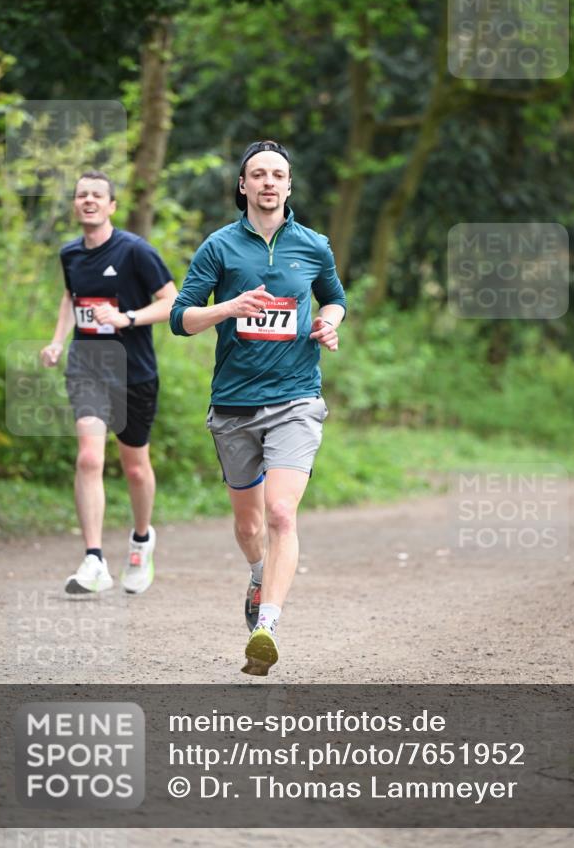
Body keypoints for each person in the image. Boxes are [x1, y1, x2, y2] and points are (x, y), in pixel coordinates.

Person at [170, 140, 346, 675]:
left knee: (280, 513)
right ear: (243, 186)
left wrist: (330, 322)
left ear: (289, 186)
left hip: (296, 399)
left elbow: (334, 296)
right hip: (234, 405)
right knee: (249, 527)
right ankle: (256, 573)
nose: (268, 182)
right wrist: (229, 306)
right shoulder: (220, 248)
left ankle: (267, 626)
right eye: (258, 174)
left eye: (278, 175)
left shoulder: (313, 245)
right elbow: (181, 318)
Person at [40, 170, 177, 597]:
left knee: (134, 467)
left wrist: (127, 318)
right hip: (86, 366)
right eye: (82, 195)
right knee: (88, 458)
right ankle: (94, 559)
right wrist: (57, 342)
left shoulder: (136, 252)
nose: (89, 200)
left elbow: (173, 301)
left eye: (98, 195)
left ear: (112, 205)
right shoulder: (70, 254)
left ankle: (140, 541)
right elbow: (71, 298)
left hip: (133, 372)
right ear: (76, 204)